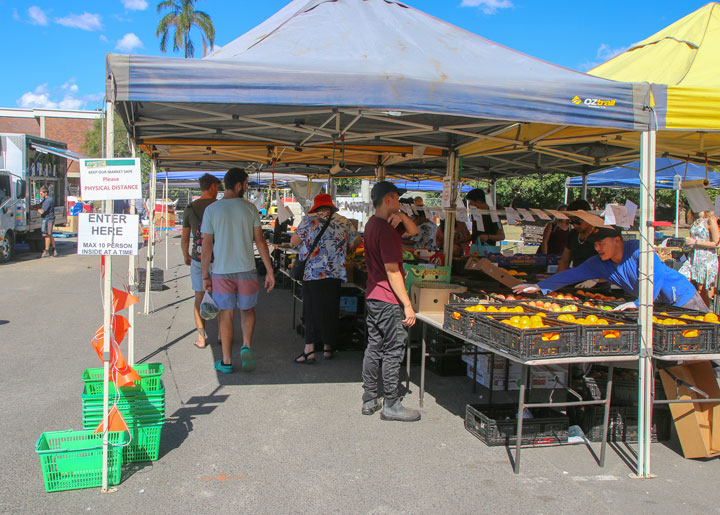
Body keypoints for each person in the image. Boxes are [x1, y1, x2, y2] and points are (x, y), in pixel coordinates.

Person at [512, 225, 709, 312]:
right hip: (657, 306)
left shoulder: (639, 250)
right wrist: (540, 286)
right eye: (595, 245)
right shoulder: (599, 262)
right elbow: (572, 274)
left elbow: (654, 275)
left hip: (683, 298)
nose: (597, 248)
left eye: (601, 243)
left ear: (617, 240)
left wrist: (641, 303)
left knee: (707, 346)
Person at [201, 168, 275, 374]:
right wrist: (269, 271)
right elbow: (260, 241)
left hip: (221, 272)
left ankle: (225, 361)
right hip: (247, 271)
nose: (247, 187)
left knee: (225, 314)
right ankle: (246, 346)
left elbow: (207, 245)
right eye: (246, 183)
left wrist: (204, 275)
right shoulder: (250, 209)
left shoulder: (212, 210)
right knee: (247, 310)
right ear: (238, 185)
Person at [361, 181, 421, 422]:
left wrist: (401, 215)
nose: (399, 203)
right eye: (396, 199)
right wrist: (407, 303)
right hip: (388, 298)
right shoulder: (385, 231)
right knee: (393, 349)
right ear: (387, 200)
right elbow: (393, 270)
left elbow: (414, 231)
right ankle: (392, 403)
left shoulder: (374, 225)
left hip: (374, 296)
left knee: (374, 347)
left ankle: (369, 398)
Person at [290, 193, 360, 364]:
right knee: (330, 309)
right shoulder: (343, 220)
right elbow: (357, 239)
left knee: (311, 311)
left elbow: (293, 241)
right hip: (335, 273)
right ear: (330, 206)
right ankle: (329, 347)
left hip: (313, 274)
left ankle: (310, 350)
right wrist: (349, 248)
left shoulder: (309, 220)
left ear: (316, 206)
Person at [181, 173, 221, 349]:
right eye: (217, 187)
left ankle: (201, 337)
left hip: (198, 258)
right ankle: (221, 333)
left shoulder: (190, 208)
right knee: (221, 296)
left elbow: (184, 238)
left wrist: (186, 255)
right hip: (220, 258)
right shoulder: (220, 207)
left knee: (199, 296)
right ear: (212, 187)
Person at [679, 210, 719, 307]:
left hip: (705, 258)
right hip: (693, 257)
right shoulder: (695, 221)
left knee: (702, 289)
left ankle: (704, 313)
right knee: (681, 278)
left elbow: (716, 243)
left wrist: (696, 242)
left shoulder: (710, 220)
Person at [557, 199, 597, 272]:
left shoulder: (599, 234)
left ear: (587, 216)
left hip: (596, 279)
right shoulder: (573, 234)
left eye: (578, 222)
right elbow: (564, 262)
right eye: (571, 222)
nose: (575, 225)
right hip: (577, 279)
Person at [35, 186, 56, 257]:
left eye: (41, 194)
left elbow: (42, 211)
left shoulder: (47, 201)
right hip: (50, 219)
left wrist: (36, 208)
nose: (40, 195)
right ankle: (54, 249)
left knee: (46, 235)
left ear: (45, 193)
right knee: (50, 234)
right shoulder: (48, 199)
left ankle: (46, 251)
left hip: (47, 219)